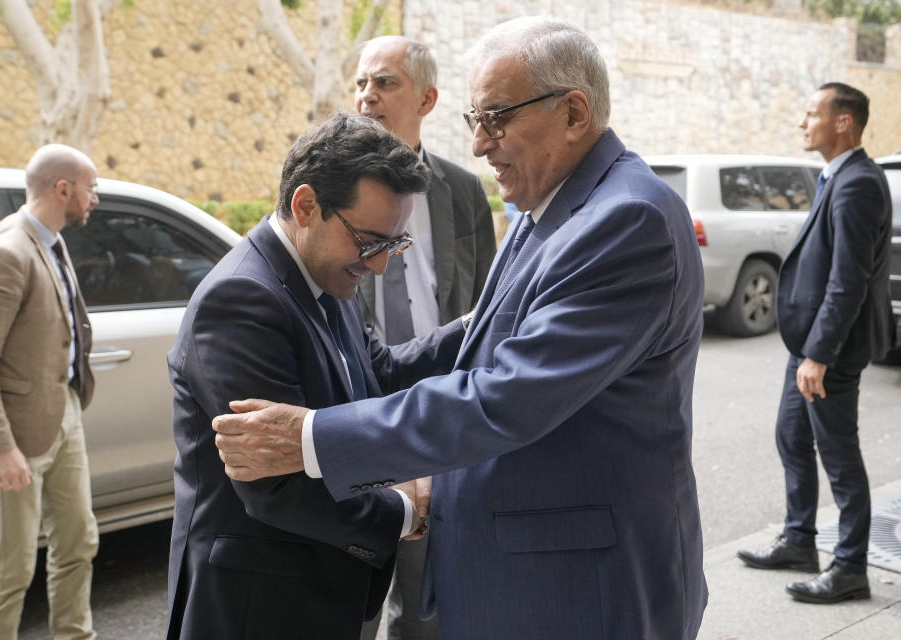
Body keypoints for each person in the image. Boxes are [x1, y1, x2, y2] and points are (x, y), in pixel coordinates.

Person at [213, 16, 708, 639]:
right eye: (475, 120)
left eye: (497, 118)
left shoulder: (625, 219)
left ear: (574, 113)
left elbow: (507, 396)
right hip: (532, 576)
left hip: (581, 589)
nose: (479, 144)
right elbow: (487, 333)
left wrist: (315, 437)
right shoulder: (547, 200)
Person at [165, 112, 467, 639]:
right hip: (259, 606)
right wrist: (402, 511)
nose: (378, 267)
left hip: (322, 591)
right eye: (371, 242)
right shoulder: (241, 299)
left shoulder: (325, 274)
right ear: (306, 206)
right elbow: (275, 484)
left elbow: (378, 372)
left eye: (394, 246)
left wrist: (479, 325)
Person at [353, 35, 496, 640]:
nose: (367, 97)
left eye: (384, 83)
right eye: (361, 83)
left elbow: (489, 306)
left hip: (437, 418)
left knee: (423, 606)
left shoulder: (463, 191)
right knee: (349, 597)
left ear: (428, 98)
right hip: (355, 414)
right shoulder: (327, 185)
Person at [737, 82, 893, 604]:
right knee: (790, 437)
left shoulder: (859, 184)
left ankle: (850, 568)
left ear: (843, 122)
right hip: (806, 348)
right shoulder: (837, 177)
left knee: (839, 455)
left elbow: (846, 281)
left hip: (829, 352)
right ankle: (799, 540)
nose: (803, 123)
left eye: (811, 114)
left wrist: (820, 355)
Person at [0, 144, 99, 639]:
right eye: (90, 188)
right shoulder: (2, 253)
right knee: (11, 568)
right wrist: (0, 449)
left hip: (61, 414)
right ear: (63, 189)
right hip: (13, 436)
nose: (94, 198)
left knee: (79, 544)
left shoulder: (51, 241)